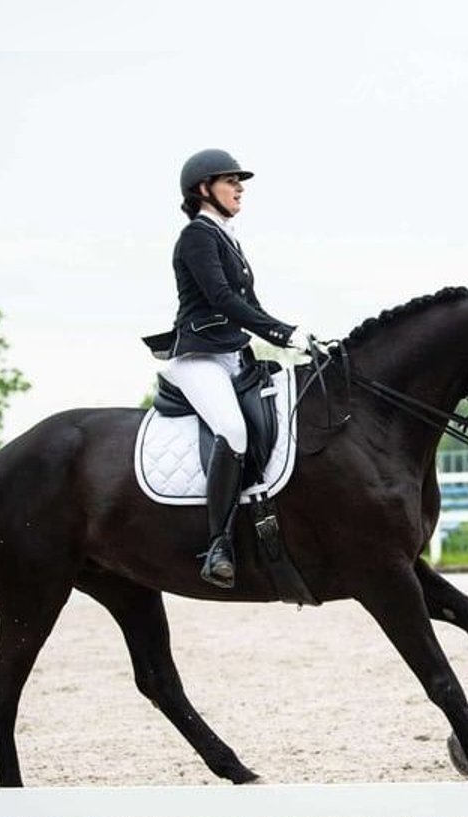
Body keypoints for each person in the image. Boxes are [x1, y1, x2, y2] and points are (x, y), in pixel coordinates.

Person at [144, 148, 311, 589]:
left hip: (232, 355)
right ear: (204, 189)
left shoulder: (226, 237)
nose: (239, 188)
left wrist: (294, 338)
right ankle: (218, 544)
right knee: (233, 432)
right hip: (199, 358)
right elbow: (222, 300)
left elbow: (249, 305)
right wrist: (281, 333)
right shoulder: (197, 236)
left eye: (240, 181)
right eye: (230, 180)